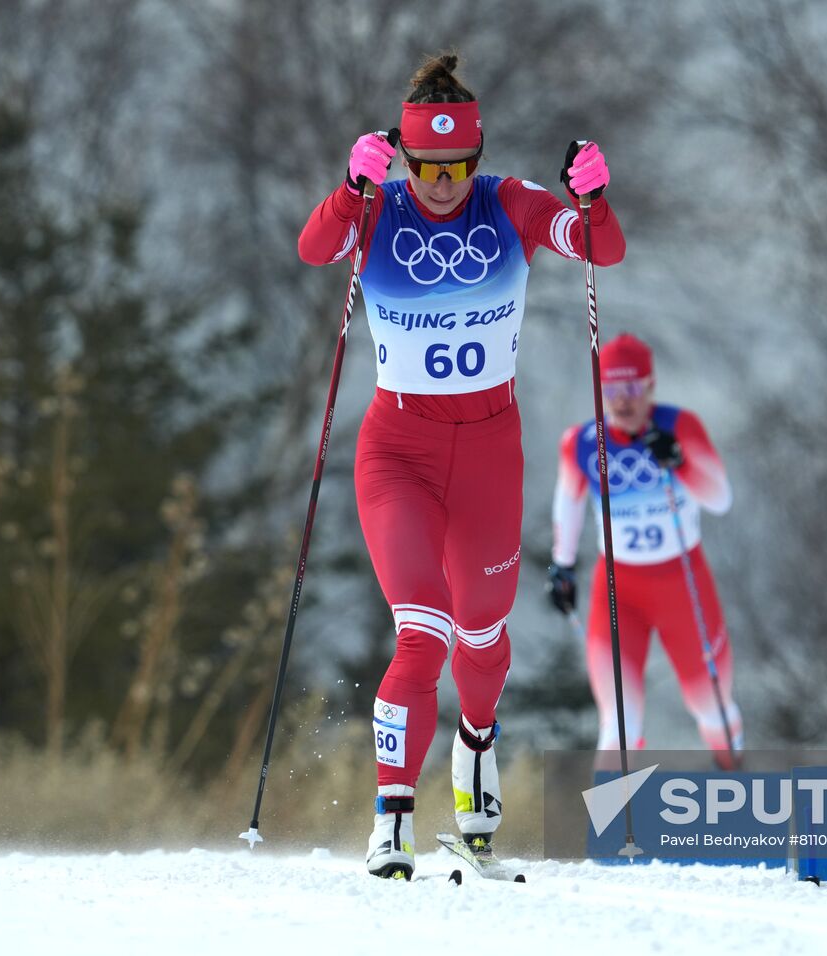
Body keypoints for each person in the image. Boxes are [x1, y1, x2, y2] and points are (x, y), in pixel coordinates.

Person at [297, 53, 625, 879]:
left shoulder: (507, 204)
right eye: (426, 168)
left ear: (476, 160)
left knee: (482, 631)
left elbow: (599, 249)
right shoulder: (377, 211)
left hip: (488, 452)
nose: (442, 183)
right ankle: (392, 820)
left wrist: (593, 195)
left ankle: (476, 754)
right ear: (403, 161)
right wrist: (349, 186)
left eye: (457, 166)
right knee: (423, 634)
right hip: (398, 452)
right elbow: (313, 248)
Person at [547, 333, 743, 767]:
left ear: (650, 387)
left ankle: (736, 793)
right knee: (618, 725)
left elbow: (720, 499)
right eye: (612, 391)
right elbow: (568, 506)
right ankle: (609, 832)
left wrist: (681, 462)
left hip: (682, 585)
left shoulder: (679, 427)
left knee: (712, 706)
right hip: (618, 590)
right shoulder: (581, 443)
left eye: (632, 389)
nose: (622, 402)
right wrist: (562, 566)